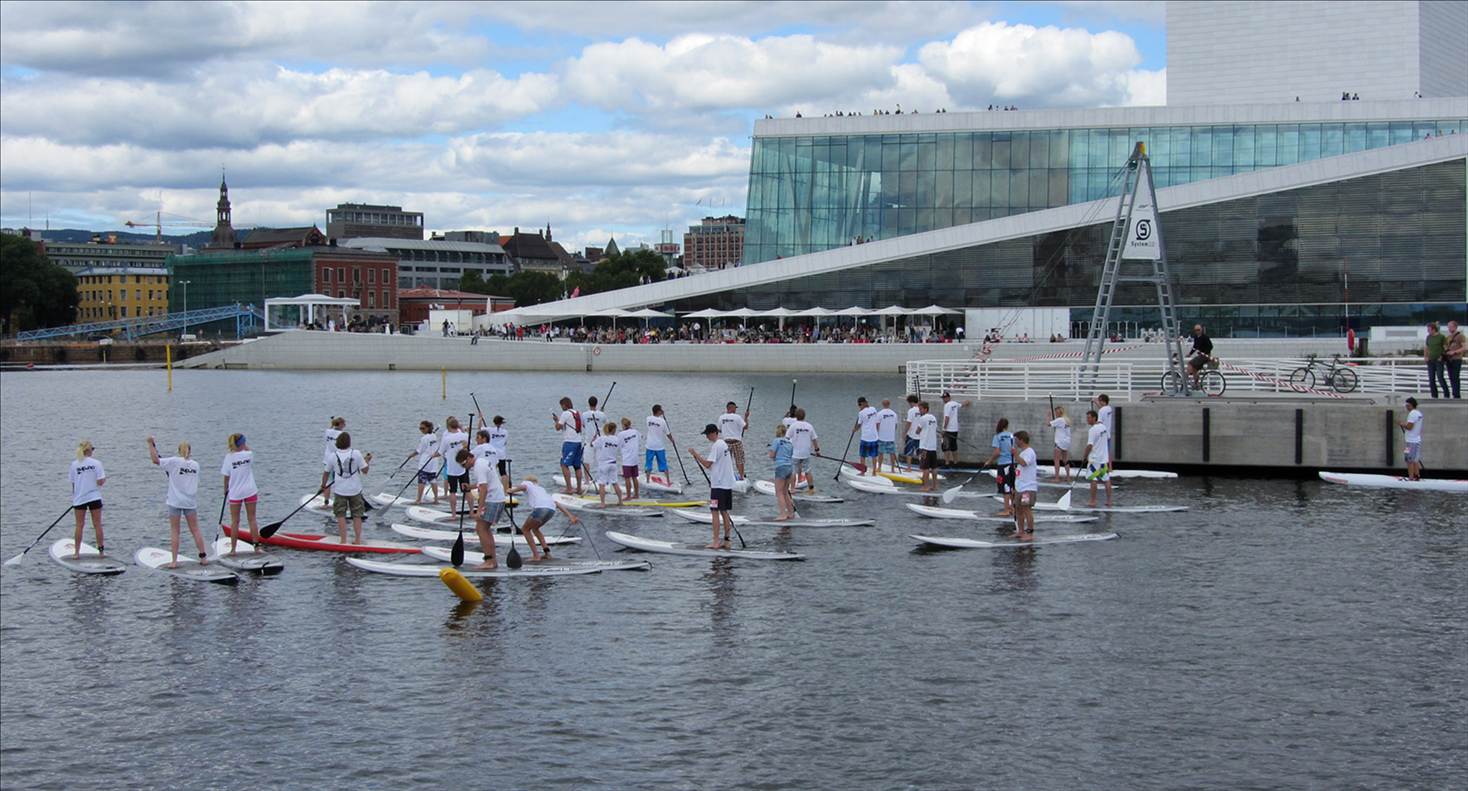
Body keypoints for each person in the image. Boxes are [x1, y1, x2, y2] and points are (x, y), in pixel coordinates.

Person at [148, 436, 206, 567]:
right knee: (195, 530)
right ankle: (203, 557)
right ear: (190, 451)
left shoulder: (174, 462)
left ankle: (174, 561)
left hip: (175, 502)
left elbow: (155, 460)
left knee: (175, 531)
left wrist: (150, 444)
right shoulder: (196, 465)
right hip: (190, 502)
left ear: (179, 451)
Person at [508, 474, 578, 562]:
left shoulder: (528, 483)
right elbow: (556, 503)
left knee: (525, 529)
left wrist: (512, 490)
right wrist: (571, 516)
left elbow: (524, 486)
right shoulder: (541, 489)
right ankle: (547, 553)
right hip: (551, 510)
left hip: (541, 508)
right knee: (535, 529)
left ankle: (536, 556)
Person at [689, 423, 736, 549]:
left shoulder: (717, 445)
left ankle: (715, 541)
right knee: (724, 512)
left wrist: (695, 454)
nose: (707, 437)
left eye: (707, 435)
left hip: (718, 486)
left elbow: (707, 464)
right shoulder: (724, 444)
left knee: (714, 511)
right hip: (726, 484)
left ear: (713, 433)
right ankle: (727, 540)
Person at [329, 432, 371, 545]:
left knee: (340, 515)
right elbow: (365, 471)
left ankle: (343, 540)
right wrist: (367, 461)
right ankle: (357, 540)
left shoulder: (333, 455)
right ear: (349, 442)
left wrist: (323, 486)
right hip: (355, 490)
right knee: (357, 515)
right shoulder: (356, 453)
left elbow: (326, 472)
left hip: (339, 490)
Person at [221, 433, 260, 553]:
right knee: (252, 519)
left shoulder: (229, 457)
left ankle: (233, 549)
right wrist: (244, 446)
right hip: (250, 490)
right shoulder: (248, 454)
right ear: (242, 443)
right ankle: (256, 547)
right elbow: (248, 449)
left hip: (235, 492)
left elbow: (226, 476)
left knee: (235, 521)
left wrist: (225, 489)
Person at [467, 447, 505, 569]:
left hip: (493, 500)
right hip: (497, 498)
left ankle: (489, 561)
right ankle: (492, 560)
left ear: (469, 458)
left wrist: (479, 509)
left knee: (481, 528)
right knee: (484, 529)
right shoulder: (482, 461)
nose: (465, 468)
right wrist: (470, 487)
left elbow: (484, 488)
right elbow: (483, 484)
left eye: (464, 464)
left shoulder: (478, 467)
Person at [68, 440, 106, 559]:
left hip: (79, 499)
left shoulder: (74, 464)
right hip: (94, 497)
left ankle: (76, 553)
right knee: (97, 525)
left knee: (79, 525)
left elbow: (73, 484)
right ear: (88, 450)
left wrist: (75, 498)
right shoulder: (97, 463)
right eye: (93, 449)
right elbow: (100, 482)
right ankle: (101, 552)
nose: (93, 451)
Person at [435, 416, 470, 515]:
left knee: (453, 492)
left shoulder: (446, 438)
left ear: (448, 426)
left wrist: (432, 455)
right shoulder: (464, 435)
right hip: (463, 468)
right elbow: (467, 443)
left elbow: (440, 452)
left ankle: (454, 514)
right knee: (467, 491)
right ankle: (472, 512)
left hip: (452, 469)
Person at [982, 418, 1017, 517]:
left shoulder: (997, 436)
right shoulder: (1011, 436)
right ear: (1007, 425)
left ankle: (1006, 510)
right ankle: (1013, 508)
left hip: (1003, 465)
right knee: (1012, 487)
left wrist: (990, 461)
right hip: (1012, 464)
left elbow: (997, 452)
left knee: (1005, 488)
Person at [403, 420, 441, 504]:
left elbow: (419, 450)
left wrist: (411, 455)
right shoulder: (434, 436)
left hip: (425, 463)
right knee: (433, 481)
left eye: (423, 428)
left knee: (421, 482)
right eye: (420, 428)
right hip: (434, 463)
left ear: (428, 428)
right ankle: (436, 500)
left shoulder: (424, 438)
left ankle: (418, 500)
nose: (421, 430)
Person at [553, 397, 585, 494]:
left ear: (564, 405)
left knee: (564, 464)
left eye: (561, 405)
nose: (561, 407)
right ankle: (579, 489)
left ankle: (569, 488)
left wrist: (556, 420)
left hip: (569, 442)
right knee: (577, 466)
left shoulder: (565, 413)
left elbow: (558, 428)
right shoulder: (577, 413)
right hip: (578, 442)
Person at [1082, 410, 1112, 507]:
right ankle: (1109, 501)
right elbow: (1107, 438)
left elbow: (1090, 445)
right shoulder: (1103, 427)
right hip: (1103, 459)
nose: (1087, 420)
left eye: (1089, 418)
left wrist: (1085, 456)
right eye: (1087, 418)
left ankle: (1093, 501)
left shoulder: (1092, 430)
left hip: (1094, 460)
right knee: (1106, 479)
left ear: (1094, 418)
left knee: (1093, 479)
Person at [1012, 431, 1038, 538]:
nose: (1015, 442)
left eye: (1016, 440)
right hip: (1019, 487)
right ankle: (1021, 531)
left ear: (1021, 440)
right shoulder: (1022, 453)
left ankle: (1030, 533)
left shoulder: (1030, 452)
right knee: (1018, 509)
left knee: (1026, 508)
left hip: (1028, 488)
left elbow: (1023, 463)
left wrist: (1015, 454)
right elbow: (1019, 470)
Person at [788, 408, 820, 494]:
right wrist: (817, 450)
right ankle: (811, 489)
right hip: (806, 453)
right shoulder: (809, 426)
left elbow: (787, 438)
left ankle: (792, 489)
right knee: (807, 471)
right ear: (804, 416)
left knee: (793, 471)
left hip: (795, 454)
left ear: (796, 416)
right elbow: (814, 440)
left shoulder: (793, 426)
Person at [768, 424, 796, 521]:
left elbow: (772, 455)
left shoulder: (776, 441)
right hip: (789, 467)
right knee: (785, 492)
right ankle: (791, 512)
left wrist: (772, 454)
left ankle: (783, 514)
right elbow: (791, 455)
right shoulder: (789, 443)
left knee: (779, 492)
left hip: (781, 467)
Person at [592, 422, 624, 506]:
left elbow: (592, 445)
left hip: (604, 464)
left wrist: (595, 438)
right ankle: (620, 501)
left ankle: (602, 503)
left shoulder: (602, 438)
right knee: (615, 483)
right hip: (613, 463)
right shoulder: (617, 439)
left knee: (601, 484)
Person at [717, 400, 749, 480]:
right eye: (735, 408)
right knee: (739, 460)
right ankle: (741, 477)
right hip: (736, 442)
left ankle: (726, 476)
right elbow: (745, 427)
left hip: (726, 443)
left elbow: (719, 430)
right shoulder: (737, 417)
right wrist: (746, 417)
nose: (735, 410)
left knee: (726, 461)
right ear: (730, 408)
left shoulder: (721, 417)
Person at [914, 401, 941, 492]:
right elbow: (935, 429)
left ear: (925, 409)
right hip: (933, 446)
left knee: (925, 468)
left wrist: (917, 431)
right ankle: (935, 486)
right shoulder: (933, 418)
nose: (920, 411)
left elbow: (917, 431)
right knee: (934, 467)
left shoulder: (922, 419)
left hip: (924, 446)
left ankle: (925, 487)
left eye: (921, 409)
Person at [940, 391, 971, 467]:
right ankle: (955, 462)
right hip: (955, 429)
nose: (943, 400)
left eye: (944, 398)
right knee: (954, 446)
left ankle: (947, 463)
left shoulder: (947, 406)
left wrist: (944, 429)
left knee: (946, 447)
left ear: (948, 398)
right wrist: (967, 402)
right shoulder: (954, 403)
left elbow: (947, 418)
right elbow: (962, 405)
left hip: (948, 429)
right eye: (943, 398)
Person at [580, 395, 607, 483]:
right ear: (596, 404)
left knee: (586, 461)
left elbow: (583, 425)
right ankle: (601, 479)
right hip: (599, 441)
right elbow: (606, 425)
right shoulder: (602, 414)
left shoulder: (584, 414)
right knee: (600, 461)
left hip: (589, 441)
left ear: (588, 404)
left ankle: (587, 480)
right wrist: (600, 414)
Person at [320, 416, 345, 507]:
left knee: (327, 482)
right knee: (338, 482)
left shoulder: (328, 431)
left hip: (327, 460)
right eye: (344, 424)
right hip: (337, 461)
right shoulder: (343, 434)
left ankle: (326, 503)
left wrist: (332, 423)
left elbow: (331, 428)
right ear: (341, 424)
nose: (345, 425)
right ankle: (338, 502)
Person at [644, 405, 672, 485]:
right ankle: (668, 481)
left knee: (648, 463)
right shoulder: (662, 421)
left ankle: (647, 480)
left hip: (650, 445)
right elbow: (668, 433)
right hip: (659, 446)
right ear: (659, 411)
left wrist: (661, 415)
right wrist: (672, 440)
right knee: (663, 463)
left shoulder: (648, 419)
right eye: (661, 410)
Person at [1398, 397, 1424, 480]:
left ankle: (1411, 478)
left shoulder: (1412, 414)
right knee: (1415, 459)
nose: (1406, 407)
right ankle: (1417, 476)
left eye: (1407, 405)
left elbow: (1409, 427)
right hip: (1415, 440)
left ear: (1410, 405)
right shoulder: (1419, 413)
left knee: (1409, 460)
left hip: (1411, 442)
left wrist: (1402, 424)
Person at [854, 397, 880, 476]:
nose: (859, 406)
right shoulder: (874, 409)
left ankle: (862, 472)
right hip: (874, 436)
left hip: (865, 437)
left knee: (862, 455)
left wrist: (854, 430)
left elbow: (859, 425)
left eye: (859, 405)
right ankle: (874, 472)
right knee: (874, 455)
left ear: (861, 403)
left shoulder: (861, 413)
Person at [617, 417, 641, 500]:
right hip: (635, 459)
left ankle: (628, 496)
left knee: (627, 478)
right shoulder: (635, 431)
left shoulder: (621, 434)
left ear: (623, 425)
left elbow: (618, 446)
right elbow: (639, 438)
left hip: (627, 460)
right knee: (634, 477)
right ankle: (637, 494)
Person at [875, 398, 900, 474]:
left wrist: (877, 433)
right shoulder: (894, 414)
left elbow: (877, 425)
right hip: (891, 437)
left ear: (883, 404)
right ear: (889, 404)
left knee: (880, 453)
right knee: (892, 453)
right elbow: (896, 426)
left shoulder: (879, 414)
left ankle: (879, 467)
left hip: (881, 436)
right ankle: (892, 469)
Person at [1424, 322, 1448, 398]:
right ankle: (1434, 395)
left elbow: (1446, 348)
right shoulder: (1428, 337)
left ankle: (1446, 394)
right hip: (1430, 361)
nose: (1428, 331)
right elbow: (1426, 347)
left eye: (1429, 329)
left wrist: (1442, 356)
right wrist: (1425, 356)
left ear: (1434, 329)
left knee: (1440, 377)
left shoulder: (1441, 337)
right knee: (1431, 379)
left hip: (1439, 360)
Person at [1049, 406, 1072, 482]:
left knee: (1056, 460)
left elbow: (1049, 424)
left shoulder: (1059, 420)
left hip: (1059, 442)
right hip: (1066, 442)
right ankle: (1068, 477)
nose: (1055, 414)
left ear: (1058, 413)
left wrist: (1048, 416)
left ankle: (1057, 478)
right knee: (1066, 460)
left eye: (1056, 412)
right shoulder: (1067, 420)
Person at [488, 415, 511, 489]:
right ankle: (506, 490)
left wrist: (480, 418)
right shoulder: (505, 432)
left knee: (490, 471)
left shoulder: (490, 430)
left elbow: (480, 428)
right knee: (503, 472)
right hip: (501, 454)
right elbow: (505, 442)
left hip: (492, 454)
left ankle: (490, 487)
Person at [1443, 320, 1464, 399]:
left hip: (1456, 359)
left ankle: (1456, 394)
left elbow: (1465, 347)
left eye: (1450, 326)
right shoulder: (1448, 337)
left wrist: (1454, 352)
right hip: (1449, 359)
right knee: (1451, 376)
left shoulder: (1460, 336)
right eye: (1448, 326)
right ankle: (1454, 393)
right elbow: (1445, 346)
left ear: (1455, 327)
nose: (1448, 328)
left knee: (1455, 377)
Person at [1094, 394, 1115, 465]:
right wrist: (1096, 403)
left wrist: (1093, 423)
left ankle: (1102, 467)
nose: (1099, 402)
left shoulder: (1101, 411)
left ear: (1103, 401)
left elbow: (1099, 422)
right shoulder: (1109, 408)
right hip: (1108, 434)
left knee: (1102, 452)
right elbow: (1102, 409)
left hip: (1102, 434)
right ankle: (1110, 468)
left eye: (1100, 401)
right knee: (1108, 452)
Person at [902, 394, 922, 468]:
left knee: (909, 452)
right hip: (920, 435)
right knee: (920, 453)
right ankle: (922, 467)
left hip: (911, 435)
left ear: (911, 402)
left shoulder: (911, 410)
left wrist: (904, 433)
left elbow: (909, 423)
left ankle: (909, 468)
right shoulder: (921, 409)